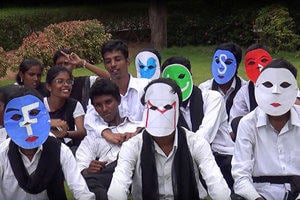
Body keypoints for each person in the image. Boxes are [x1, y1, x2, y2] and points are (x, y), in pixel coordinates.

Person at [107, 78, 231, 200]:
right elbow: (118, 188)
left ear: (177, 110)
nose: (160, 113)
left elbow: (217, 184)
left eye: (167, 107)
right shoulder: (132, 146)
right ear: (146, 110)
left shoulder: (196, 143)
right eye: (154, 108)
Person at [0, 86, 94, 199]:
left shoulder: (59, 150)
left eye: (34, 113)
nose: (27, 124)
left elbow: (81, 190)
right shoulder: (3, 153)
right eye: (17, 116)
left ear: (46, 116)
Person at [161, 56, 235, 192]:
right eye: (170, 80)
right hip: (185, 158)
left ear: (190, 75)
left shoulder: (213, 98)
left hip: (220, 157)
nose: (176, 83)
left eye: (181, 76)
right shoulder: (165, 107)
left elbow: (204, 135)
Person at [231, 58, 300, 200]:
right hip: (261, 192)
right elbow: (240, 175)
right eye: (268, 84)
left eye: (285, 85)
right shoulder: (248, 123)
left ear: (294, 90)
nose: (275, 91)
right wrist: (257, 198)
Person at [76, 78, 140, 200]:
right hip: (108, 173)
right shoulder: (93, 136)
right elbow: (79, 167)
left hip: (135, 172)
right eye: (98, 105)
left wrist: (137, 136)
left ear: (118, 100)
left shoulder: (136, 127)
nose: (104, 109)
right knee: (88, 181)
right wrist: (88, 170)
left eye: (108, 102)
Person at [84, 39, 149, 145]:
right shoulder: (101, 91)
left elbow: (155, 115)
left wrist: (138, 131)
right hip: (112, 147)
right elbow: (89, 120)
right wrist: (105, 132)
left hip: (143, 143)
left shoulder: (145, 86)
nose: (113, 64)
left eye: (117, 59)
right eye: (108, 61)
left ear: (127, 61)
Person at [229, 43, 272, 140]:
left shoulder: (284, 83)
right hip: (254, 138)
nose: (258, 66)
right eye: (252, 63)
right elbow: (235, 122)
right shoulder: (244, 92)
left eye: (264, 60)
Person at [199, 42, 247, 119]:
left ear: (237, 65)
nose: (221, 67)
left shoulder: (244, 89)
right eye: (217, 61)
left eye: (227, 62)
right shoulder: (204, 89)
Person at [45, 65, 86, 152]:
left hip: (66, 149)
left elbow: (82, 132)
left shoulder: (74, 104)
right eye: (60, 81)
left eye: (69, 81)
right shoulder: (40, 105)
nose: (66, 85)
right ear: (49, 86)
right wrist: (49, 124)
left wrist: (65, 134)